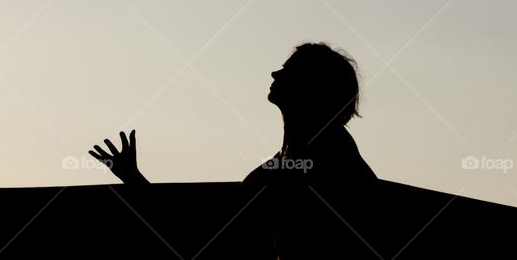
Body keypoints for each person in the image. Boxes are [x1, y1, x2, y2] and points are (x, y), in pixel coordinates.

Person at [88, 42, 376, 185]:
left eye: (289, 70)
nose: (275, 72)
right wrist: (134, 178)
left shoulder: (330, 159)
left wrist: (135, 181)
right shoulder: (287, 162)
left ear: (312, 87)